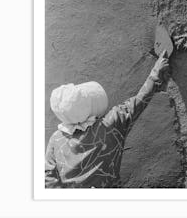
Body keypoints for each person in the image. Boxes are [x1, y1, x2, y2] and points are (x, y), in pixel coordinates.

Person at [45, 50, 170, 188]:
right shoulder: (110, 125)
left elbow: (48, 180)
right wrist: (155, 74)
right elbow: (138, 102)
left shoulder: (55, 140)